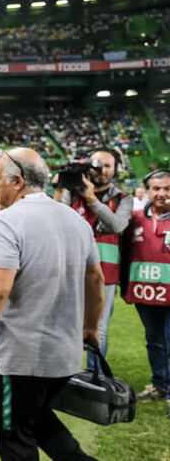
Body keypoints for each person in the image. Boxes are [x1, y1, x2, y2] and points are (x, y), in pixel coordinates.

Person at [0, 148, 103, 461]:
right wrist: (91, 327)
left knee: (14, 436)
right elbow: (96, 280)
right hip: (63, 357)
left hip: (20, 360)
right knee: (37, 420)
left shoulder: (6, 221)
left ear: (18, 182)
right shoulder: (76, 221)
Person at [57, 147, 132, 369]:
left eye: (108, 166)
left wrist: (91, 199)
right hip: (72, 269)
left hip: (106, 273)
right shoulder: (72, 194)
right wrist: (61, 188)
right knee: (65, 323)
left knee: (99, 329)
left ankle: (94, 376)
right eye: (97, 165)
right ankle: (64, 373)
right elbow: (57, 218)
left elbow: (117, 225)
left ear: (116, 169)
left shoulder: (123, 198)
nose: (102, 170)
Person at [120, 170, 170, 417]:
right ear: (148, 191)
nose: (161, 193)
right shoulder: (135, 219)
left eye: (167, 189)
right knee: (154, 341)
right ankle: (160, 385)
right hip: (145, 293)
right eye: (156, 188)